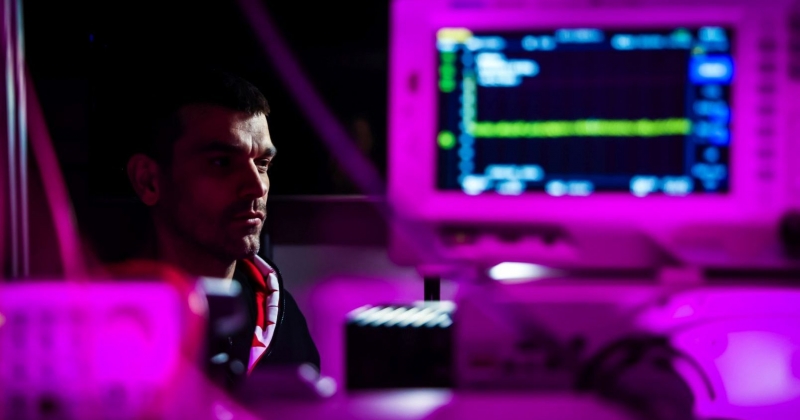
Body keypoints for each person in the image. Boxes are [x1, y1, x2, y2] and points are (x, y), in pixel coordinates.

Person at [123, 68, 319, 387]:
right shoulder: (104, 327)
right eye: (222, 163)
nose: (256, 187)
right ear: (149, 180)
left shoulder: (284, 320)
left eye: (262, 164)